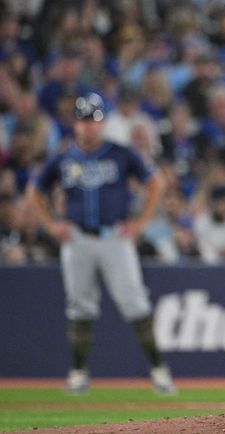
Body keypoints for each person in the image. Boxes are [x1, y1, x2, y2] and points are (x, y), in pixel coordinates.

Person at [25, 93, 176, 394]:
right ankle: (78, 373)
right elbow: (35, 190)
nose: (89, 126)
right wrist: (52, 224)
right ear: (75, 123)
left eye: (94, 120)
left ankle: (158, 370)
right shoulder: (64, 156)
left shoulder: (120, 153)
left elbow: (156, 182)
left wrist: (139, 223)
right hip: (78, 238)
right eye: (83, 120)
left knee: (135, 302)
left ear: (103, 122)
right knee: (79, 306)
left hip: (113, 237)